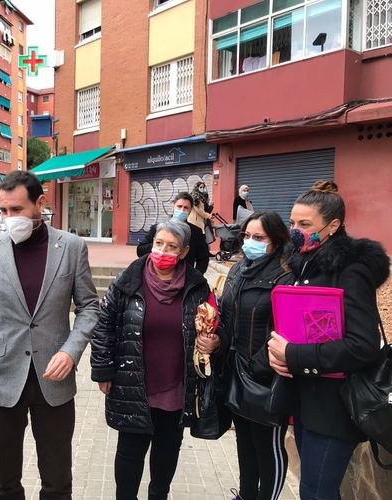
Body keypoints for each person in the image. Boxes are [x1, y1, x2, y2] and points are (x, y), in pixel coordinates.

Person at [0, 171, 99, 500]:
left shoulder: (71, 248)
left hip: (54, 378)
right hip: (1, 378)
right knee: (3, 480)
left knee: (57, 479)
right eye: (3, 210)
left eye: (17, 209)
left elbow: (89, 307)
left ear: (39, 204)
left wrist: (71, 351)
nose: (9, 218)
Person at [267, 180, 390, 500]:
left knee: (316, 492)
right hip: (306, 401)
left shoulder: (350, 271)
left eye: (305, 224)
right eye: (292, 223)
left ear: (333, 226)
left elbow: (362, 345)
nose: (295, 231)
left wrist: (294, 355)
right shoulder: (304, 263)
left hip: (335, 407)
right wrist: (277, 352)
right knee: (314, 490)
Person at [91, 219, 220, 500]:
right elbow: (103, 327)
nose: (163, 251)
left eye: (172, 246)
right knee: (130, 453)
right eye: (159, 243)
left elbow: (211, 327)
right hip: (133, 383)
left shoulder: (198, 287)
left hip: (176, 386)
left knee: (166, 452)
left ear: (184, 252)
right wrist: (102, 370)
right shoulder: (127, 282)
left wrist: (213, 342)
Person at [217, 212, 293, 500]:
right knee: (245, 444)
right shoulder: (239, 269)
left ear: (276, 240)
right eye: (247, 236)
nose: (250, 242)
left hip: (266, 378)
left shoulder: (287, 275)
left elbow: (287, 328)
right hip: (236, 372)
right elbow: (227, 317)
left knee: (267, 447)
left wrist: (259, 365)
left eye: (259, 238)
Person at [136, 192, 210, 274]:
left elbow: (203, 258)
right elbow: (140, 250)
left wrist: (196, 276)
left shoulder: (196, 232)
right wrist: (159, 244)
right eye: (179, 206)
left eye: (186, 208)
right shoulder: (158, 228)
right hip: (157, 275)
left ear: (191, 209)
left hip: (184, 277)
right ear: (173, 206)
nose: (182, 210)